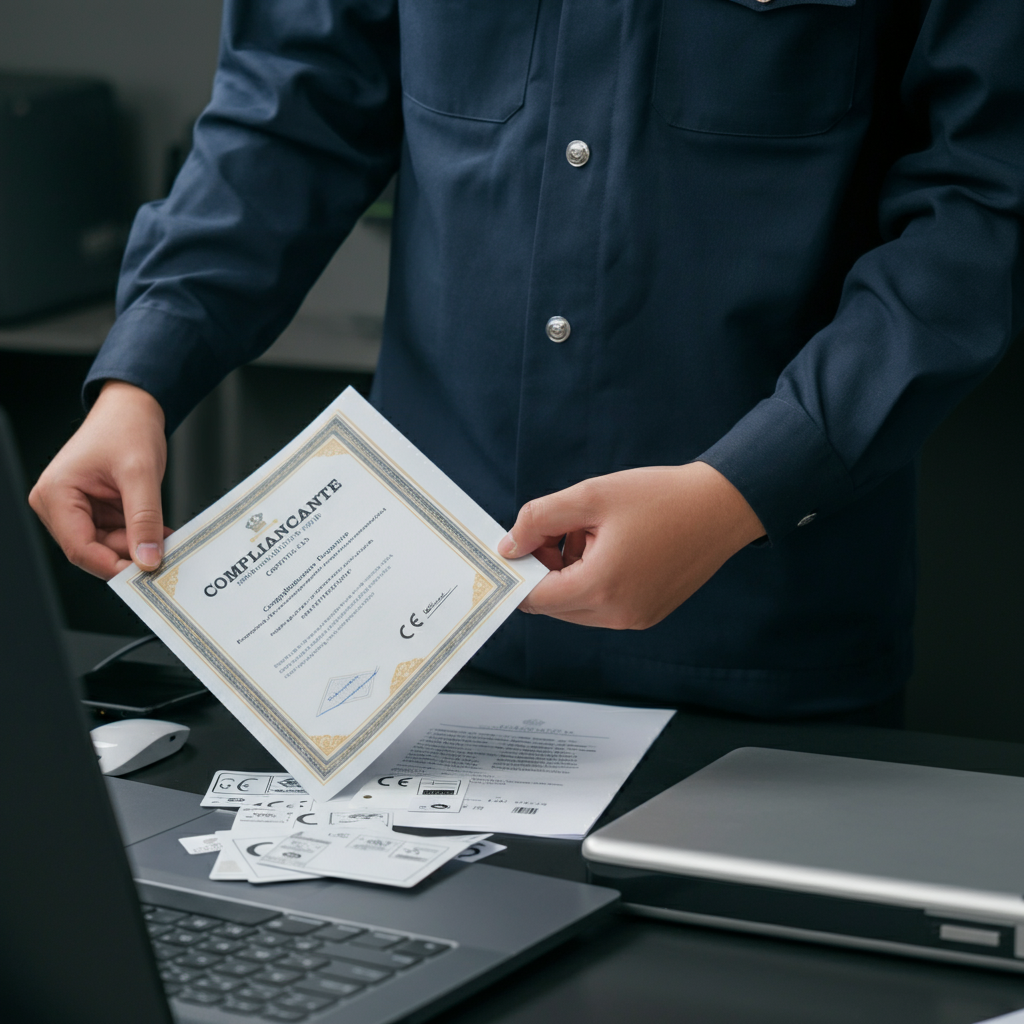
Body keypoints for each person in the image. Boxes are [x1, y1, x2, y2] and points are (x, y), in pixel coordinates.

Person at [29, 0, 1023, 721]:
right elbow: (291, 108)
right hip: (412, 637)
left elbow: (984, 208)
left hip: (760, 643)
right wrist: (141, 378)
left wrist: (741, 491)